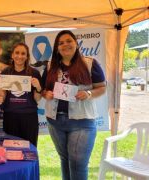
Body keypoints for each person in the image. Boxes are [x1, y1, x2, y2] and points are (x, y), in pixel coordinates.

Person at [41, 30, 106, 180]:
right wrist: (46, 94)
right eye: (61, 43)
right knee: (64, 160)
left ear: (76, 43)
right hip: (55, 121)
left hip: (82, 122)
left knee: (78, 164)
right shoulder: (50, 65)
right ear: (57, 48)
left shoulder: (90, 63)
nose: (65, 45)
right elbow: (44, 90)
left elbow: (102, 87)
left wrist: (88, 94)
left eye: (69, 41)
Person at [0, 42, 42, 146]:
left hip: (29, 117)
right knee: (11, 148)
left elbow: (37, 99)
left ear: (27, 56)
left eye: (23, 53)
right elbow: (3, 96)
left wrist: (38, 87)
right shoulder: (6, 72)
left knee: (29, 149)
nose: (19, 56)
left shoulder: (34, 73)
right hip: (10, 117)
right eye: (17, 53)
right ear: (12, 55)